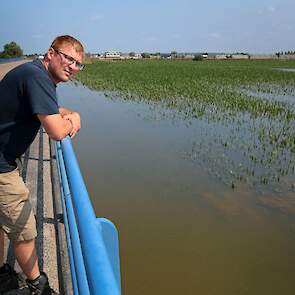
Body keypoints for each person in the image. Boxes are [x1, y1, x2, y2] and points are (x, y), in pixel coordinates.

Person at [0, 35, 84, 294]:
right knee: (23, 228)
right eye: (68, 58)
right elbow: (57, 132)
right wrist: (73, 121)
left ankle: (2, 273)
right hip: (1, 165)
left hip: (4, 158)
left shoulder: (34, 73)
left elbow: (50, 108)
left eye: (78, 63)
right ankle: (39, 284)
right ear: (51, 53)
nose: (72, 66)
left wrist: (70, 112)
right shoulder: (37, 77)